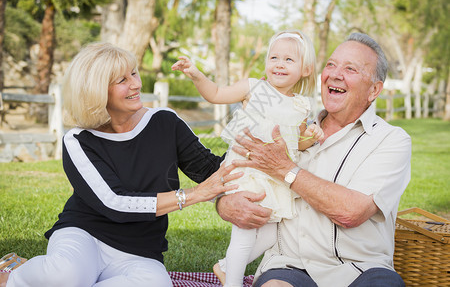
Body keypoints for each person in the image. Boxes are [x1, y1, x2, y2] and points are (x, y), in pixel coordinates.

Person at [0, 42, 242, 287]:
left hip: (140, 250)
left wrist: (254, 142)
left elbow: (211, 170)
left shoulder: (164, 122)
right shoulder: (78, 140)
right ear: (96, 90)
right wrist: (193, 195)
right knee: (65, 276)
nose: (136, 84)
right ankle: (12, 276)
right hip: (85, 234)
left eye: (134, 73)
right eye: (122, 80)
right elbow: (115, 203)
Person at [216, 32, 411, 287]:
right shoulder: (289, 125)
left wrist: (285, 169)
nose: (335, 74)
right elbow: (232, 166)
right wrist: (224, 204)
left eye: (350, 68)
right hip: (288, 265)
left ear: (374, 90)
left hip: (361, 269)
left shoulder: (390, 139)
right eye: (331, 64)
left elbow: (351, 212)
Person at [172, 30, 324, 287]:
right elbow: (216, 94)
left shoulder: (301, 105)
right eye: (274, 57)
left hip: (275, 178)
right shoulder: (256, 88)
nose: (279, 63)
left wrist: (312, 135)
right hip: (246, 170)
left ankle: (224, 267)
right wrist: (197, 75)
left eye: (289, 60)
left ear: (306, 69)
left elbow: (296, 143)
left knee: (270, 234)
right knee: (243, 236)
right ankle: (232, 282)